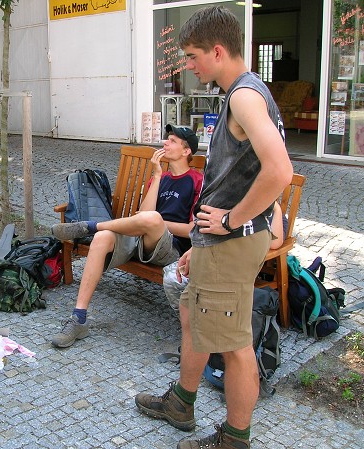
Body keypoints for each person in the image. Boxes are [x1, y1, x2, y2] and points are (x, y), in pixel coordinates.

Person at [133, 7, 293, 449]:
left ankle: (234, 439)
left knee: (235, 344)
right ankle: (181, 403)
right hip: (219, 243)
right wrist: (201, 243)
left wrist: (230, 220)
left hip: (233, 241)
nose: (188, 65)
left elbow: (280, 171)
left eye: (192, 55)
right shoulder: (243, 92)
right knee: (191, 311)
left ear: (217, 52)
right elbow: (239, 175)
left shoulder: (244, 97)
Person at [50, 124, 203, 348]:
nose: (165, 143)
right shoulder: (161, 178)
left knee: (153, 219)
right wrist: (157, 176)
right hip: (142, 239)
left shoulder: (197, 180)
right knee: (103, 238)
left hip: (170, 249)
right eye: (167, 139)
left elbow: (192, 229)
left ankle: (90, 227)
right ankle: (79, 318)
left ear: (186, 151)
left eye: (172, 141)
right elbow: (142, 214)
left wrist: (158, 223)